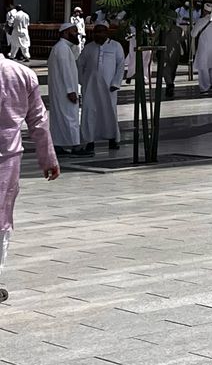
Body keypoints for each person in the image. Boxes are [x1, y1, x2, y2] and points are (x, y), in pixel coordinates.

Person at [0, 55, 60, 304]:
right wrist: (48, 158)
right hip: (8, 157)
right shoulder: (22, 74)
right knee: (2, 217)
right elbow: (38, 121)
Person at [78, 23, 123, 152]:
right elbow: (80, 65)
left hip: (109, 87)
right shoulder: (88, 48)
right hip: (91, 87)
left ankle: (113, 139)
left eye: (101, 32)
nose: (98, 35)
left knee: (109, 112)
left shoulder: (115, 46)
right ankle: (89, 141)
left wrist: (116, 83)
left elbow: (120, 66)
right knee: (90, 112)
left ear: (106, 33)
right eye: (96, 32)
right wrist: (83, 82)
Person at [46, 22, 83, 155]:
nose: (76, 34)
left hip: (61, 91)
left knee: (61, 118)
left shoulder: (62, 48)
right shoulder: (62, 48)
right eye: (74, 31)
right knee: (70, 117)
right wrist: (70, 90)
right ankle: (75, 146)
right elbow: (65, 71)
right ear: (66, 33)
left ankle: (58, 144)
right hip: (65, 92)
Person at [190, 3, 212, 96]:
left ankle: (204, 88)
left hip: (203, 49)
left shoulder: (200, 21)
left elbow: (193, 34)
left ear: (204, 11)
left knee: (203, 69)